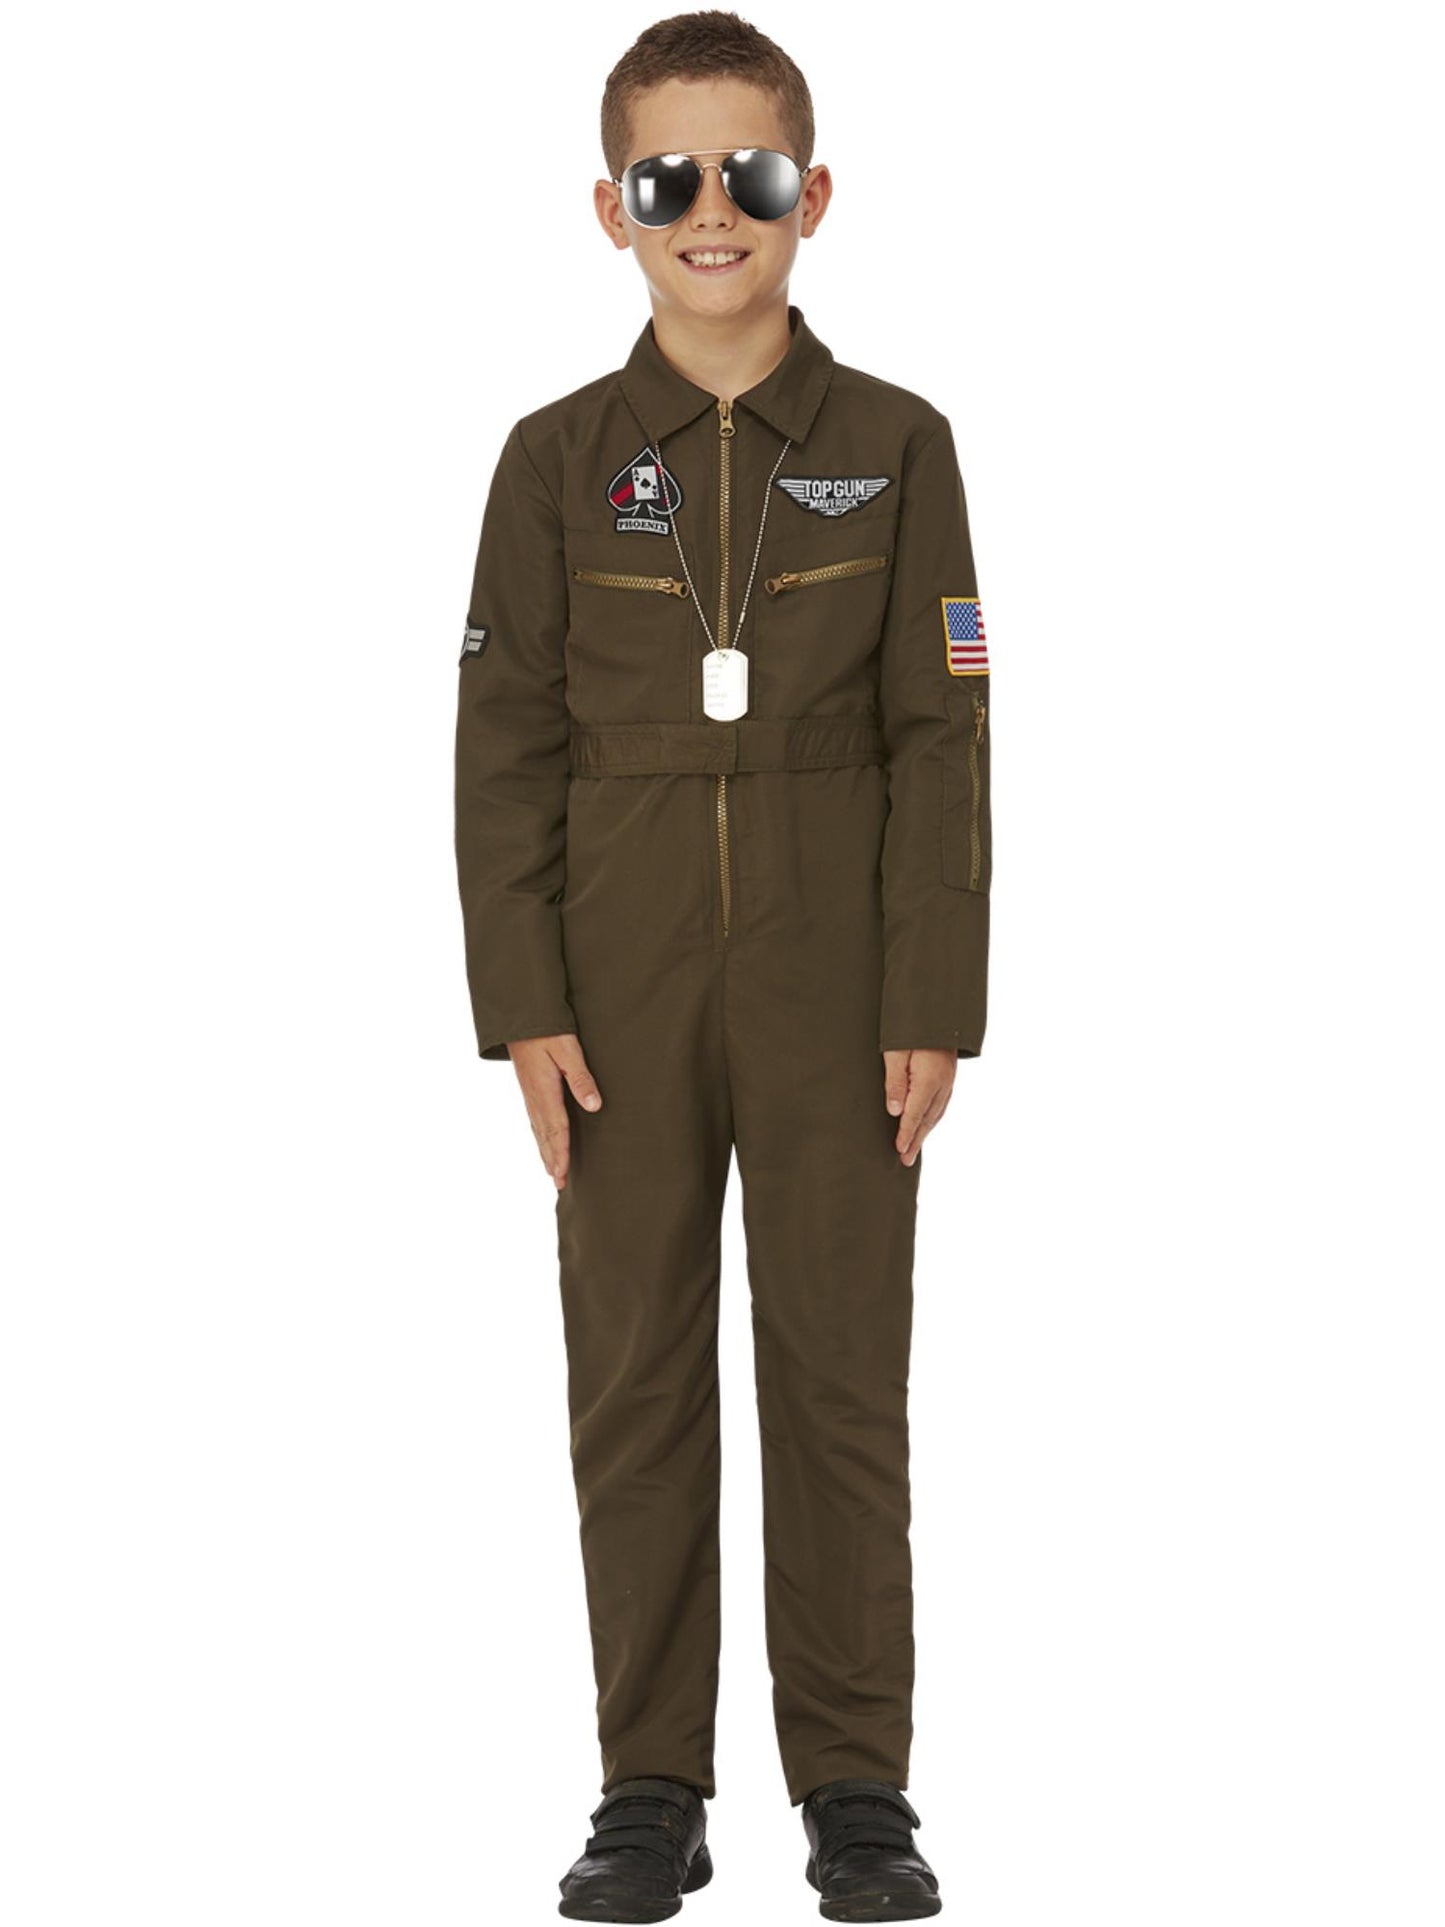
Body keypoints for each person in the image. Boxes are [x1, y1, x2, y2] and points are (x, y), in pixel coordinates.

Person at [454, 12, 991, 1921]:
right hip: (616, 977)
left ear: (810, 196)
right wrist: (523, 999)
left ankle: (855, 1782)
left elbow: (943, 737)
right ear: (610, 208)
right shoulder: (552, 462)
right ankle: (649, 1786)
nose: (710, 211)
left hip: (839, 973)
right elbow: (503, 741)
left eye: (748, 175)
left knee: (839, 1370)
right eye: (665, 177)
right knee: (635, 1376)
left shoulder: (897, 445)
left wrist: (932, 997)